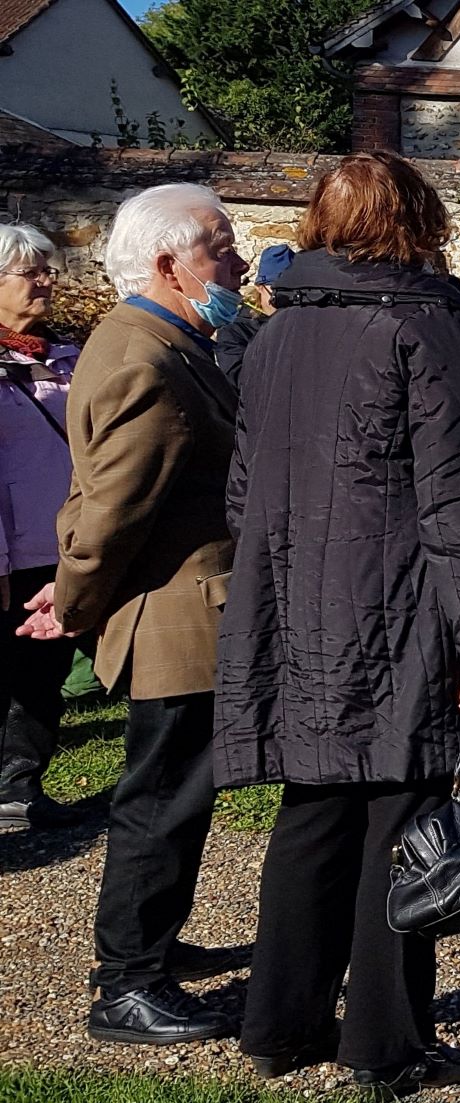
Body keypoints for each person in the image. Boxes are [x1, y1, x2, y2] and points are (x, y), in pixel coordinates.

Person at [214, 150, 460, 1093]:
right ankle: (383, 1042)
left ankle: (277, 1026)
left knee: (313, 811)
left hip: (301, 606)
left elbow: (244, 496)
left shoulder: (276, 335)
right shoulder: (428, 326)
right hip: (408, 608)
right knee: (404, 820)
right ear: (419, 221)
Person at [15, 183, 249, 1042]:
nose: (239, 261)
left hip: (183, 607)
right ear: (167, 263)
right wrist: (75, 603)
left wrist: (71, 588)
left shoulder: (161, 340)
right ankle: (128, 983)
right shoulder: (147, 358)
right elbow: (113, 506)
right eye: (221, 247)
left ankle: (149, 948)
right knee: (164, 797)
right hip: (175, 620)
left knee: (176, 792)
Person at [0, 222, 84, 830]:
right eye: (32, 272)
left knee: (42, 672)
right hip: (6, 549)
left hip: (58, 548)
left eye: (46, 270)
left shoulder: (68, 356)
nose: (47, 282)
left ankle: (19, 787)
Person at [213, 242, 293, 390]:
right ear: (259, 287)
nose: (285, 299)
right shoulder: (234, 329)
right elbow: (240, 379)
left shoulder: (301, 321)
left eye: (291, 291)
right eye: (277, 291)